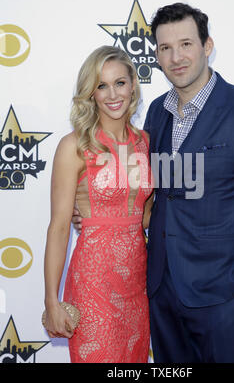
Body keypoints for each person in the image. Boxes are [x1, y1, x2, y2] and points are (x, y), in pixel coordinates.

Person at [72, 3, 234, 363]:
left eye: (186, 44)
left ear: (207, 46)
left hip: (225, 296)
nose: (176, 57)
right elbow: (151, 194)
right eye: (165, 48)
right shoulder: (155, 113)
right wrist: (98, 215)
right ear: (156, 56)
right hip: (160, 292)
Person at [44, 46, 153, 363]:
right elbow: (60, 226)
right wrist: (52, 300)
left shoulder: (145, 142)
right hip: (93, 283)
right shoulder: (74, 146)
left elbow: (145, 215)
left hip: (137, 282)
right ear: (90, 93)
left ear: (133, 84)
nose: (112, 94)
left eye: (119, 82)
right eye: (101, 85)